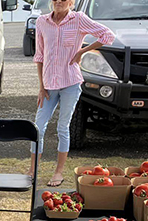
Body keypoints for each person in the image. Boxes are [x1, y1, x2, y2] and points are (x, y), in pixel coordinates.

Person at [31, 0, 114, 187]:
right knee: (38, 127)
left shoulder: (79, 19)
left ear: (71, 2)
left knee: (63, 127)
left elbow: (108, 36)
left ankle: (58, 172)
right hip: (49, 84)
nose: (58, 2)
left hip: (70, 83)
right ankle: (32, 169)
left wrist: (82, 51)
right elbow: (40, 55)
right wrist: (41, 86)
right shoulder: (42, 21)